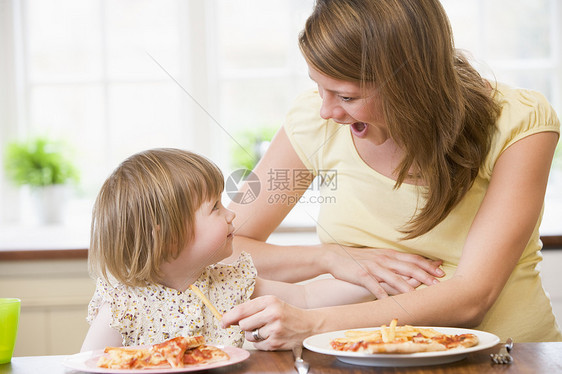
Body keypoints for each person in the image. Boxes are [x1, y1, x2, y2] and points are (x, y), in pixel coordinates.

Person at [221, 0, 562, 349]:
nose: (327, 110)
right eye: (319, 86)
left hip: (510, 355)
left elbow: (472, 297)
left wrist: (314, 323)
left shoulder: (517, 121)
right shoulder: (313, 123)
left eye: (347, 96)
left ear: (412, 84)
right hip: (357, 359)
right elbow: (224, 249)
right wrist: (328, 257)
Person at [81, 148, 376, 352]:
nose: (231, 214)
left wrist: (379, 279)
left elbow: (308, 298)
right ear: (169, 237)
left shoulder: (231, 282)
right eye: (215, 207)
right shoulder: (122, 307)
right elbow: (86, 367)